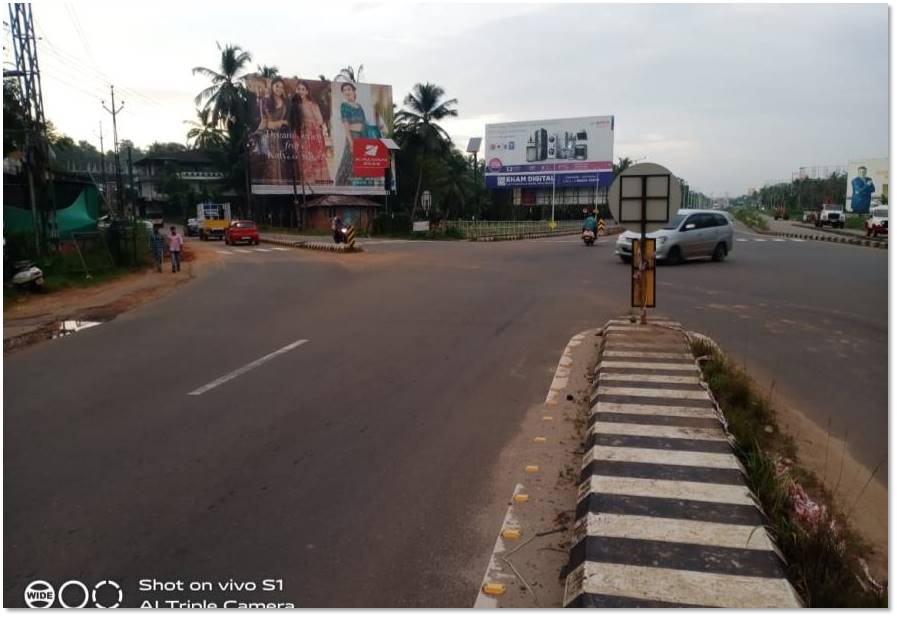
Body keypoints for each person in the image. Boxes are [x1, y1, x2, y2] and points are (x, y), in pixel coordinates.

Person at [335, 82, 377, 185]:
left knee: (362, 161)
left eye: (349, 89)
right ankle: (344, 186)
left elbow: (364, 122)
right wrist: (350, 141)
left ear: (354, 91)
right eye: (344, 90)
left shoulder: (359, 106)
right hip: (353, 136)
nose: (347, 92)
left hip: (363, 137)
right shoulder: (344, 106)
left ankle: (362, 186)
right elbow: (346, 124)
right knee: (349, 162)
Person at [294, 81, 333, 185]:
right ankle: (307, 186)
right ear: (296, 90)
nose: (301, 91)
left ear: (307, 91)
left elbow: (320, 121)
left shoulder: (312, 104)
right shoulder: (294, 105)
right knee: (304, 161)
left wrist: (308, 124)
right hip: (300, 137)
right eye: (299, 89)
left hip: (313, 137)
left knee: (314, 160)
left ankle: (317, 186)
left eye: (303, 89)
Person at [261, 77, 291, 183]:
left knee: (283, 164)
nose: (279, 89)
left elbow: (288, 121)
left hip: (283, 138)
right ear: (272, 86)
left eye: (281, 87)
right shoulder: (265, 101)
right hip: (269, 137)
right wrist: (280, 123)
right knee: (271, 164)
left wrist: (283, 124)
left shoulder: (286, 102)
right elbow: (265, 122)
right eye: (277, 86)